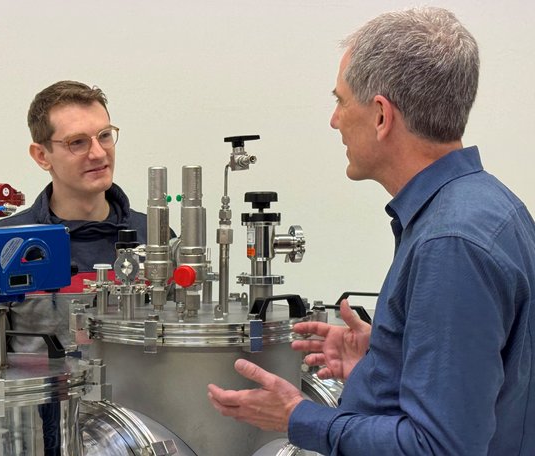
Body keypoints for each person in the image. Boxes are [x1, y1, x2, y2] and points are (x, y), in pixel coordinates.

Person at [208, 6, 535, 455]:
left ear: (381, 115)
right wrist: (387, 360)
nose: (334, 120)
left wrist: (298, 418)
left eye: (340, 101)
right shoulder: (488, 207)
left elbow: (439, 449)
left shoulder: (451, 244)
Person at [0, 80, 153, 352]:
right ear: (42, 155)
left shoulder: (154, 236)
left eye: (104, 135)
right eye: (77, 142)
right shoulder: (6, 244)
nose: (98, 153)